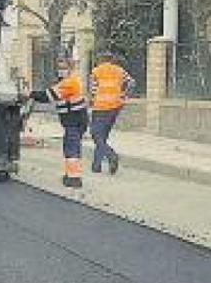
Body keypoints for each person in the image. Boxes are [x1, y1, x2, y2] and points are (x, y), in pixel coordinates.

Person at [29, 58, 88, 188]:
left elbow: (48, 96)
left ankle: (74, 179)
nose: (61, 71)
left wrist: (30, 94)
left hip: (74, 120)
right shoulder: (66, 82)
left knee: (71, 149)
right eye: (59, 68)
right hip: (74, 120)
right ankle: (70, 175)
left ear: (70, 69)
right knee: (70, 148)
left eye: (64, 68)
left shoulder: (70, 82)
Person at [89, 52, 135, 174]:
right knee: (103, 136)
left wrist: (92, 103)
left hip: (100, 107)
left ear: (100, 60)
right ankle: (96, 165)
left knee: (95, 135)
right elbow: (131, 83)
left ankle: (111, 155)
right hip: (115, 107)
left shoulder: (96, 71)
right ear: (111, 60)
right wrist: (123, 96)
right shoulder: (120, 71)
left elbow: (93, 91)